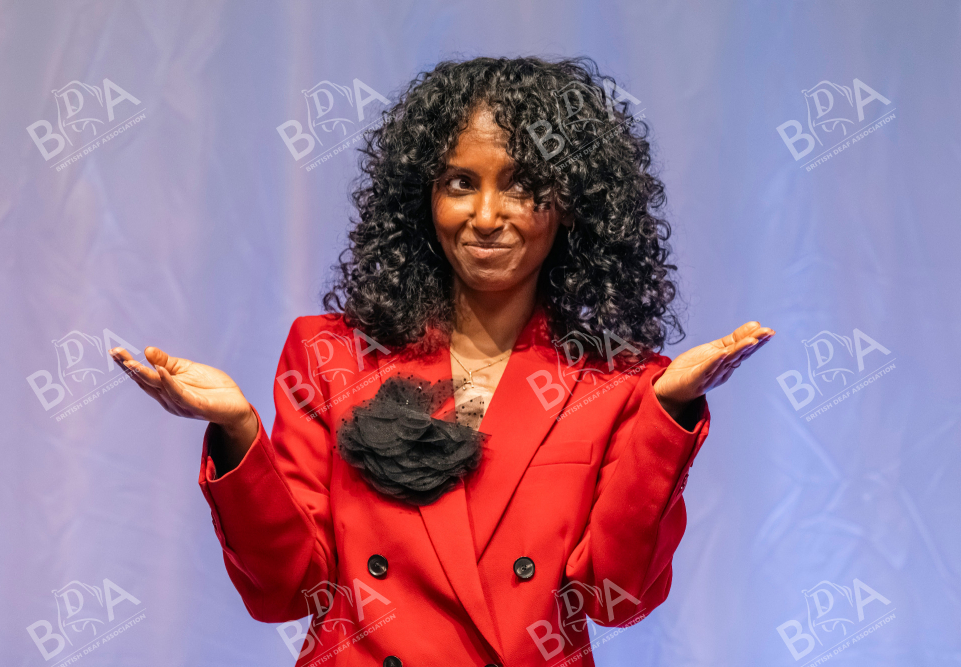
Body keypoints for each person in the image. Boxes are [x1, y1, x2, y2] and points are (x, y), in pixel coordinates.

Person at [111, 57, 773, 667]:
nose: (485, 216)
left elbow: (615, 599)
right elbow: (285, 590)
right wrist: (237, 433)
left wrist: (668, 415)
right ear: (423, 199)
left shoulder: (620, 383)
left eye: (522, 185)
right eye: (461, 183)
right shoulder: (329, 354)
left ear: (571, 205)